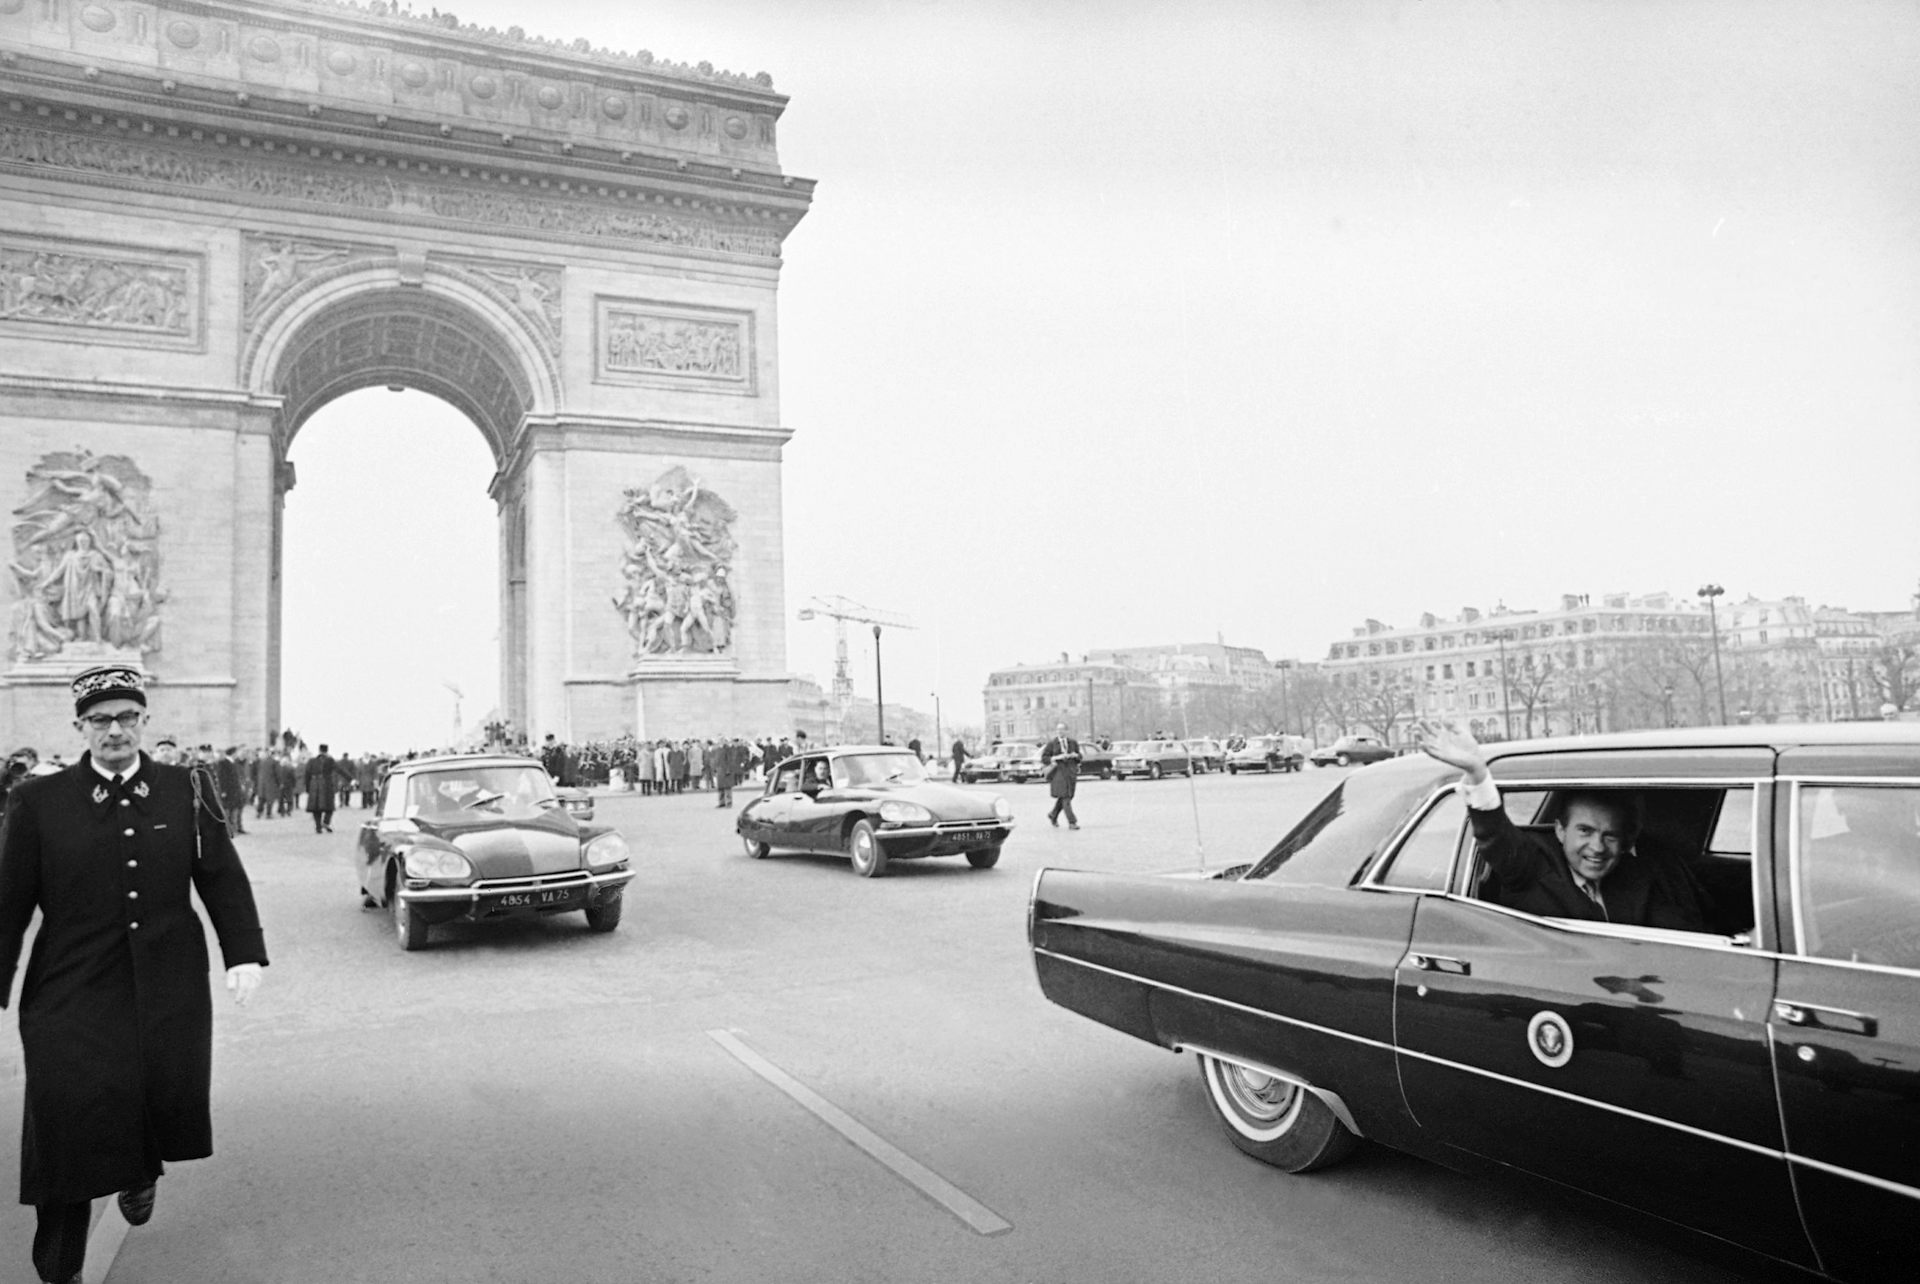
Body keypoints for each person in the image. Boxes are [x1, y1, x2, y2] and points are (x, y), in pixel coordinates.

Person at [0, 664, 266, 1284]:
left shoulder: (185, 789)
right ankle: (59, 1258)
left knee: (151, 1087)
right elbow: (9, 902)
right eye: (100, 720)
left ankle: (140, 1169)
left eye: (126, 718)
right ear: (79, 727)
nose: (114, 730)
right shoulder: (38, 801)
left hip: (165, 982)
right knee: (60, 1109)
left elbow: (220, 875)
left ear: (144, 721)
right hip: (68, 986)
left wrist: (244, 952)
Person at [1416, 720, 1700, 929]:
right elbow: (1496, 836)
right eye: (1585, 831)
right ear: (1560, 830)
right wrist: (1478, 773)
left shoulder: (1638, 876)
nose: (1598, 847)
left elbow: (1680, 935)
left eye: (1610, 836)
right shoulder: (1532, 864)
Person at [1041, 722, 1082, 830]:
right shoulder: (1052, 744)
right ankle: (1072, 822)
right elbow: (1044, 758)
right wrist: (1054, 758)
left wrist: (1076, 755)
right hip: (1058, 773)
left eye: (1062, 729)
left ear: (1066, 731)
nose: (1060, 731)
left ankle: (1053, 814)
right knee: (1065, 797)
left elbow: (1080, 756)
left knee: (1068, 796)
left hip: (1071, 773)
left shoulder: (1072, 742)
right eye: (1058, 730)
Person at [303, 743, 344, 834]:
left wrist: (307, 787)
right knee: (329, 806)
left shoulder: (311, 761)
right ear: (327, 751)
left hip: (314, 785)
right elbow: (340, 770)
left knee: (315, 808)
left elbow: (307, 775)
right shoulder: (330, 760)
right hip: (326, 785)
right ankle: (326, 822)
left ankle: (318, 827)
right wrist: (351, 779)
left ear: (319, 750)